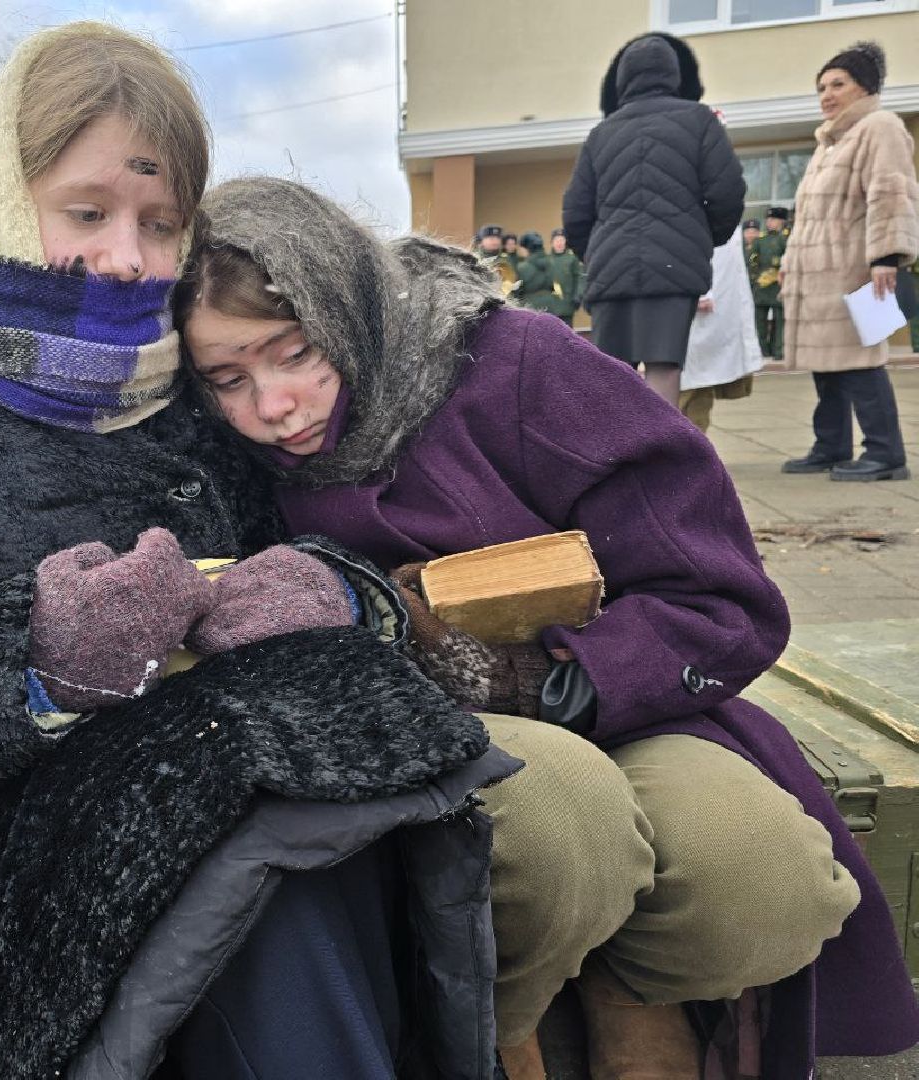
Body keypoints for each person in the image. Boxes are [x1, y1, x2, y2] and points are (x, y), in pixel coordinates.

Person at [0, 23, 514, 1080]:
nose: (127, 258)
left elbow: (340, 562)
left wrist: (342, 596)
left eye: (161, 223)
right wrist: (26, 663)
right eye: (87, 211)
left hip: (267, 850)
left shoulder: (208, 401)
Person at [176, 176, 919, 1080]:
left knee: (759, 880)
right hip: (415, 738)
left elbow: (717, 595)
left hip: (623, 699)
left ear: (347, 302)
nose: (272, 407)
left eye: (294, 353)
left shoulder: (517, 366)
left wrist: (564, 678)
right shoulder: (216, 453)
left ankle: (628, 992)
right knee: (561, 831)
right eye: (228, 379)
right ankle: (501, 1019)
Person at [563, 32, 745, 407]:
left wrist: (595, 254)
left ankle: (615, 458)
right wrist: (698, 240)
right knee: (664, 366)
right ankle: (662, 461)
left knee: (614, 370)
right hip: (675, 265)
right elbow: (727, 192)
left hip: (612, 268)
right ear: (674, 75)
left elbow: (576, 213)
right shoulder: (699, 120)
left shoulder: (601, 133)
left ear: (622, 79)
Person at [780, 41, 918, 482]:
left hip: (861, 270)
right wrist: (788, 260)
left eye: (838, 83)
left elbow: (890, 192)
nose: (827, 94)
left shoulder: (880, 126)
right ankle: (831, 445)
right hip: (822, 274)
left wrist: (885, 257)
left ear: (865, 87)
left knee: (863, 363)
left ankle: (885, 453)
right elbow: (807, 216)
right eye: (821, 86)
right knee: (828, 365)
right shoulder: (829, 143)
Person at [679, 224, 766, 433]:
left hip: (716, 290)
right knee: (689, 379)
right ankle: (684, 450)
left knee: (701, 380)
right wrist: (702, 289)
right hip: (698, 287)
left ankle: (695, 448)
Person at [751, 206, 788, 360]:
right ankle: (761, 350)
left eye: (773, 219)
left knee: (780, 320)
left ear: (782, 221)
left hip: (779, 283)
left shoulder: (786, 238)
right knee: (759, 320)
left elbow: (790, 258)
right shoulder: (761, 240)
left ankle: (778, 350)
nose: (769, 222)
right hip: (762, 285)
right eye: (768, 219)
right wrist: (755, 279)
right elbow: (753, 260)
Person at [547, 227, 584, 326]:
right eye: (557, 240)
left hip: (567, 304)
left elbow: (579, 278)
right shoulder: (546, 260)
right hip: (550, 305)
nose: (559, 243)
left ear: (565, 242)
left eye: (562, 240)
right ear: (552, 242)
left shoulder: (572, 259)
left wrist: (578, 295)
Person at [474, 222, 518, 295]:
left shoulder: (507, 259)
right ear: (481, 241)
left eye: (498, 238)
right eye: (491, 238)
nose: (495, 241)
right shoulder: (474, 258)